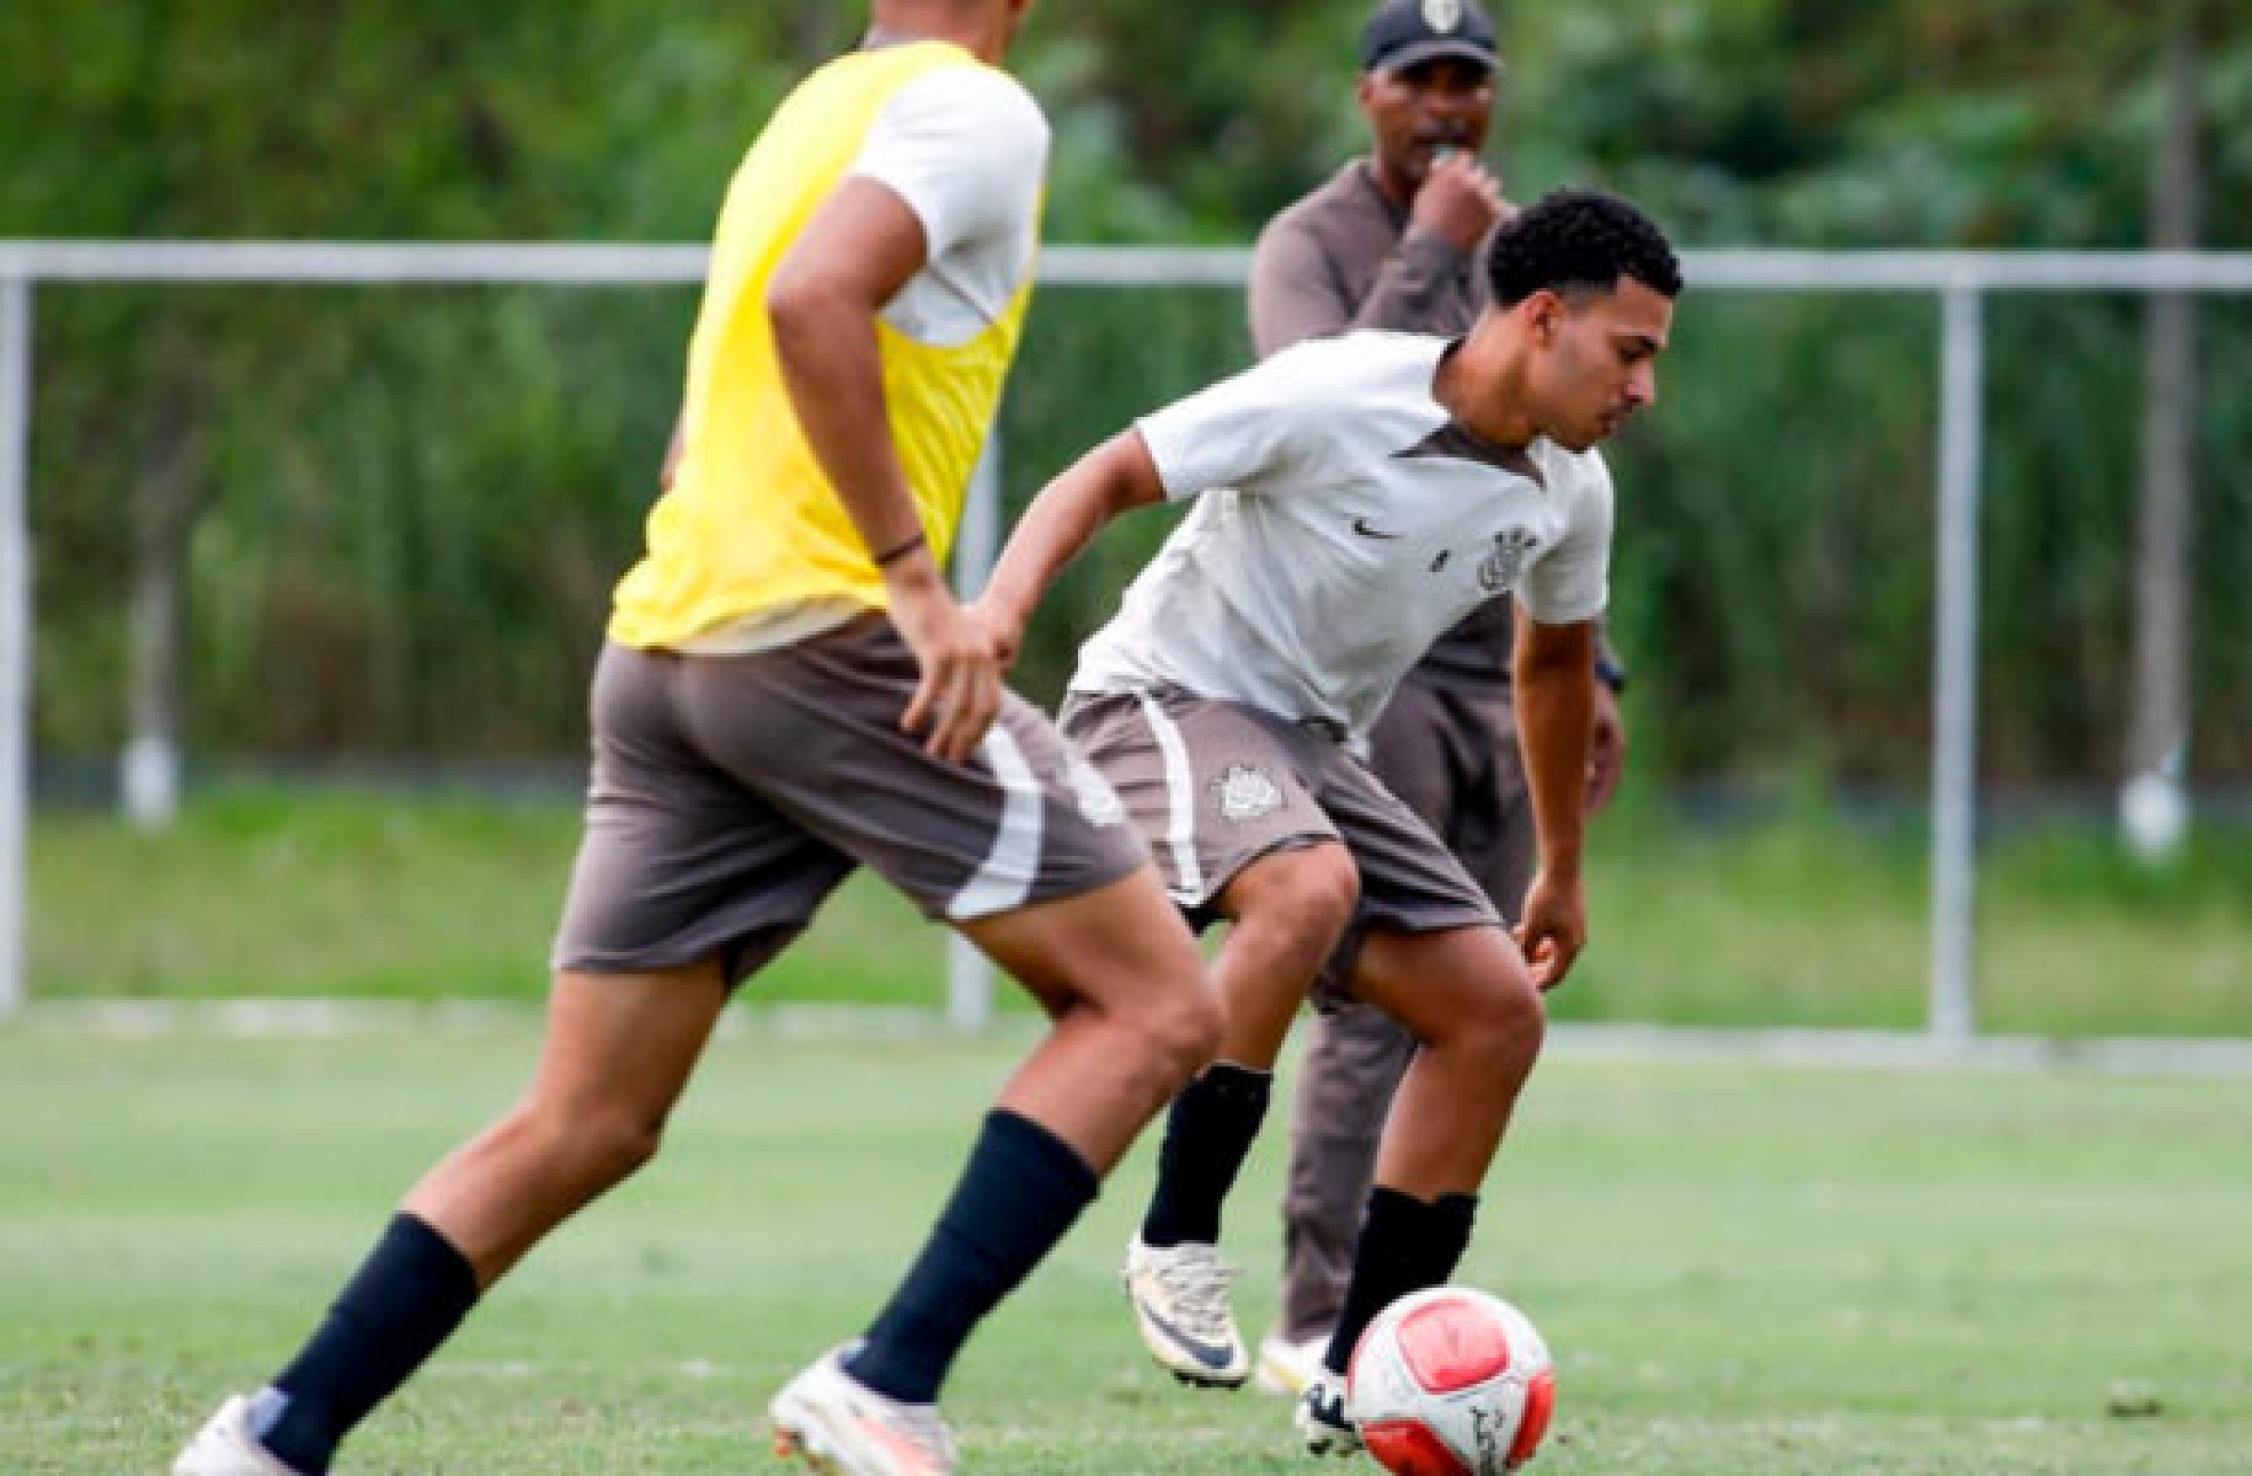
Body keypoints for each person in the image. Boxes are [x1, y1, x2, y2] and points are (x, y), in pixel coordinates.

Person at [171, 5, 1222, 1475]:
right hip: (826, 642)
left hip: (667, 647)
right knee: (1157, 1009)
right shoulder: (980, 113)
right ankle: (887, 1380)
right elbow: (812, 305)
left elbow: (703, 422)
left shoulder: (812, 111)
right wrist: (918, 590)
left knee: (588, 1116)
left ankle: (272, 1437)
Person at [968, 189, 1682, 1452]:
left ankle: (1361, 1369)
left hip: (1313, 749)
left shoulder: (1570, 493)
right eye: (1629, 352)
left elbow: (1555, 668)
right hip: (1158, 700)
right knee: (1305, 889)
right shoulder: (1334, 391)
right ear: (1539, 319)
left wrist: (1561, 871)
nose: (1642, 389)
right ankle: (1177, 1233)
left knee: (1489, 1014)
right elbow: (1106, 474)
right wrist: (1001, 611)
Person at [1244, 0, 1630, 1396]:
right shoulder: (1316, 244)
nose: (1450, 104)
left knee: (1485, 996)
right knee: (1375, 999)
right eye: (1422, 80)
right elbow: (1317, 407)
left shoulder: (1526, 259)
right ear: (1369, 96)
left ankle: (1400, 1327)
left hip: (1500, 677)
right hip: (1370, 680)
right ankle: (1312, 1314)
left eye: (1473, 79)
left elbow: (1551, 470)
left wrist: (1596, 678)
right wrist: (1431, 252)